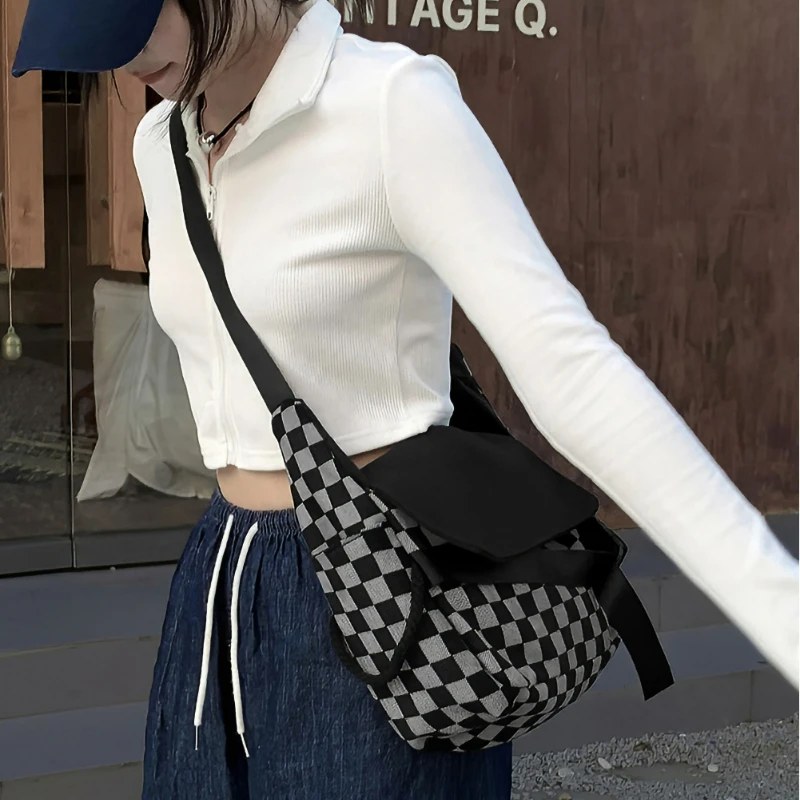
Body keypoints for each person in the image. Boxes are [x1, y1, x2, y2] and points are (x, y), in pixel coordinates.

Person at [12, 0, 799, 798]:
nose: (127, 58)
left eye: (141, 14)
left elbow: (570, 367)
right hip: (222, 576)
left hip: (386, 580)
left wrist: (779, 606)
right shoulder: (161, 142)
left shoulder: (389, 104)